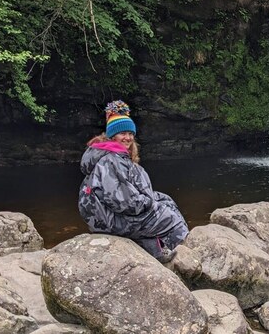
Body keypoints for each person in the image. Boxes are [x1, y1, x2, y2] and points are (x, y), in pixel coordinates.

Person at [78, 100, 188, 262]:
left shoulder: (105, 154)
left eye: (130, 134)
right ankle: (184, 258)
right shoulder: (111, 161)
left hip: (103, 216)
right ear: (112, 135)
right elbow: (123, 202)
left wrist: (151, 199)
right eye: (123, 133)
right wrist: (149, 202)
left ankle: (156, 252)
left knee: (166, 200)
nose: (128, 138)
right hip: (109, 221)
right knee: (169, 217)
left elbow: (124, 195)